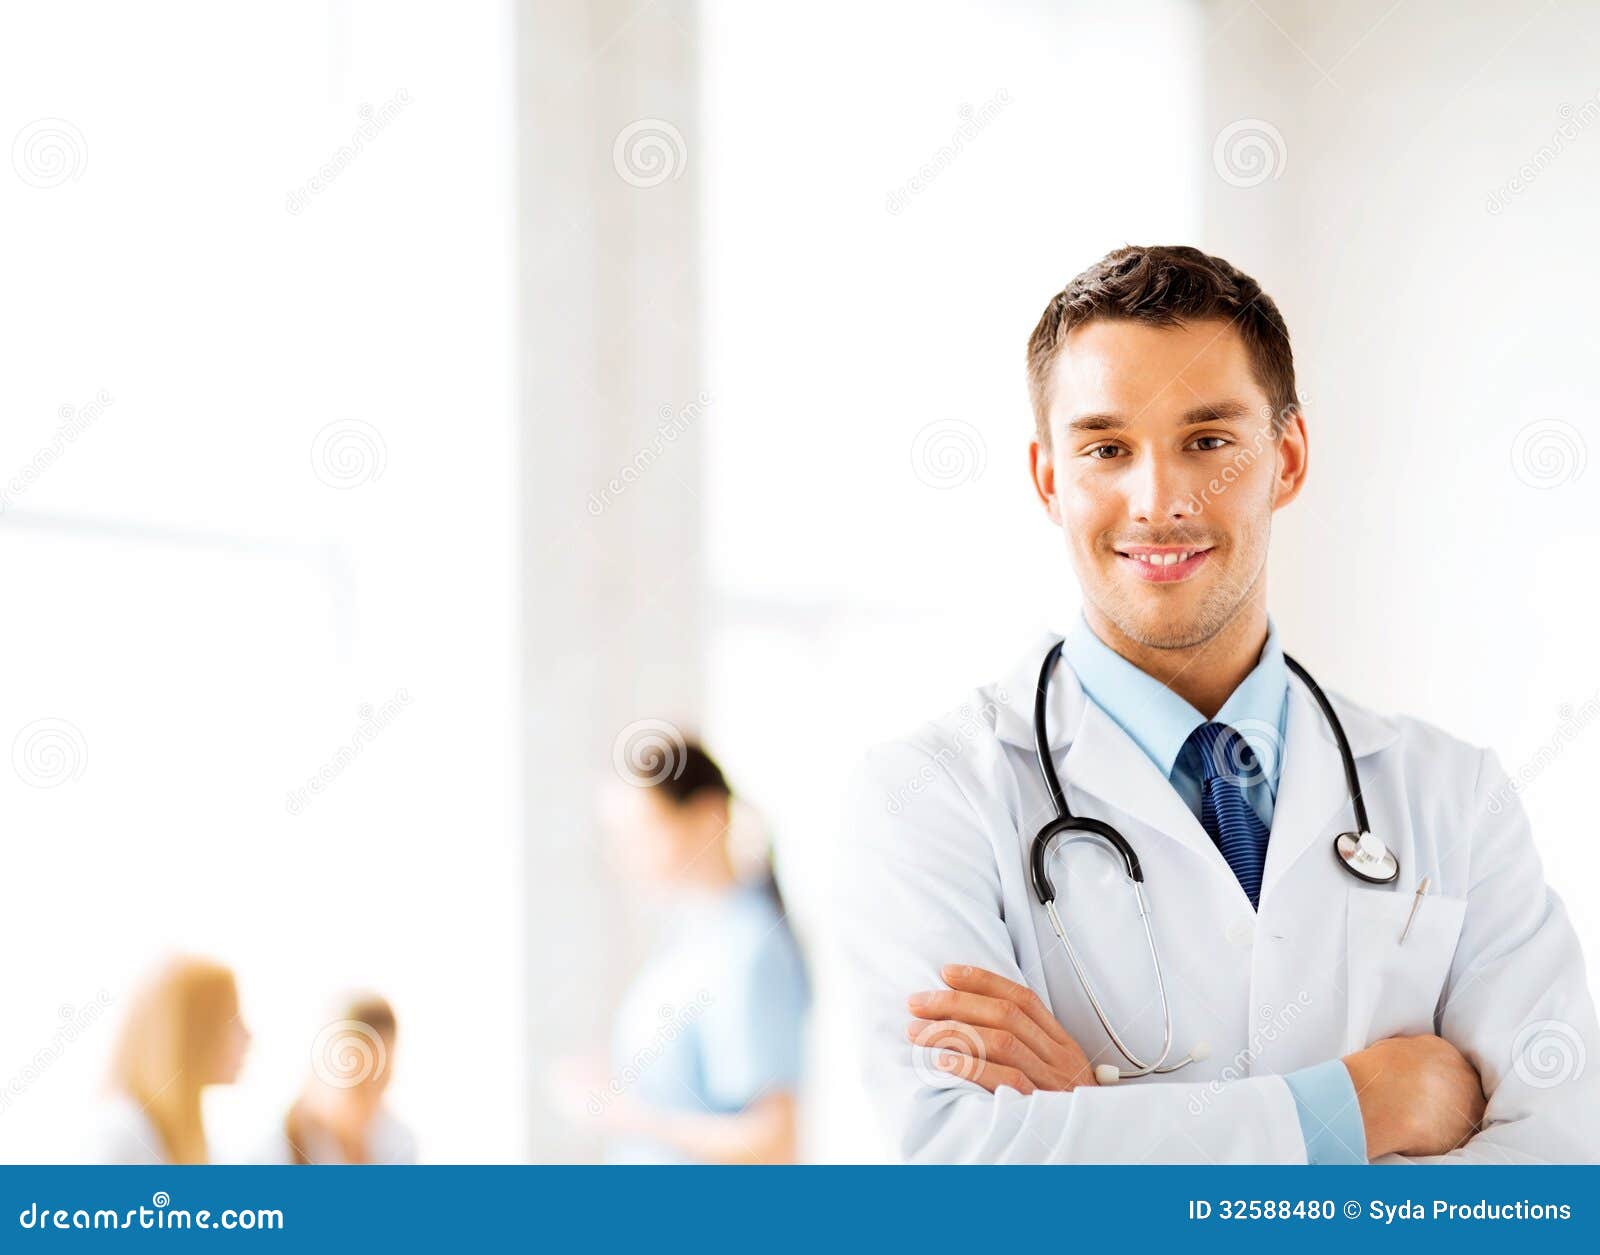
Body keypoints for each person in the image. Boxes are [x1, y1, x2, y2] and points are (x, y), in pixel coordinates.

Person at [837, 245, 1600, 1164]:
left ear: (1287, 456)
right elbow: (956, 1168)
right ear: (1049, 479)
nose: (1158, 501)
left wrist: (1098, 1139)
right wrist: (1354, 1109)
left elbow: (1553, 1179)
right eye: (1107, 448)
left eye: (1208, 442)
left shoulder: (1453, 797)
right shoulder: (930, 795)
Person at [552, 741, 810, 1163]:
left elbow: (773, 1141)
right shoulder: (690, 936)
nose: (622, 857)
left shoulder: (749, 948)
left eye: (640, 834)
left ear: (709, 818)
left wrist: (628, 1116)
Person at [97, 957, 249, 1164]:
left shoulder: (197, 1142)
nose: (248, 1036)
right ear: (187, 1034)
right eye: (230, 1018)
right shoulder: (119, 1135)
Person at [265, 994, 417, 1165]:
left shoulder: (398, 1141)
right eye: (358, 1079)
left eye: (379, 1078)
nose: (368, 1099)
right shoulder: (277, 1146)